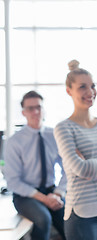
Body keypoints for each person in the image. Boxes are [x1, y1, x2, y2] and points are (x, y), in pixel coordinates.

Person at [54, 60, 97, 240]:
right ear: (68, 90)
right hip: (80, 213)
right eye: (82, 87)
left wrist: (93, 165)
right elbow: (82, 170)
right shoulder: (63, 128)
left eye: (92, 86)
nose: (90, 92)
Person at [4, 90, 67, 240]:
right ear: (23, 112)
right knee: (43, 219)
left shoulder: (55, 135)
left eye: (38, 107)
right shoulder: (14, 141)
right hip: (26, 195)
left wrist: (58, 193)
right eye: (30, 108)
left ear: (43, 109)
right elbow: (13, 181)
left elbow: (68, 168)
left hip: (52, 192)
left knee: (70, 221)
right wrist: (45, 199)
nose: (35, 111)